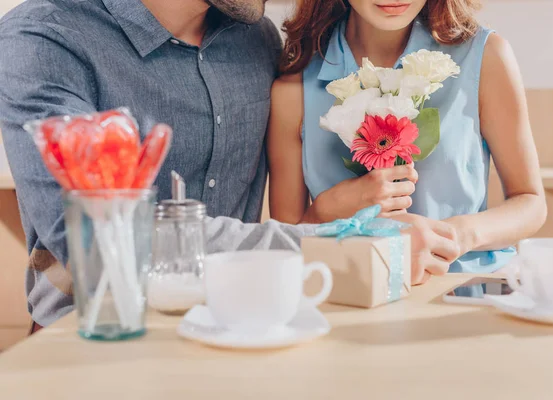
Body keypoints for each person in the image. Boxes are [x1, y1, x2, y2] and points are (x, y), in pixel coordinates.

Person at [0, 0, 316, 331]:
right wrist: (323, 241)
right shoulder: (44, 37)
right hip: (97, 341)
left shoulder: (256, 37)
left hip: (234, 328)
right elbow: (97, 240)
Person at [267, 0, 547, 284]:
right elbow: (282, 249)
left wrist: (455, 235)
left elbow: (531, 203)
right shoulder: (292, 91)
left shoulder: (486, 56)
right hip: (348, 301)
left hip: (463, 300)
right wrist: (328, 209)